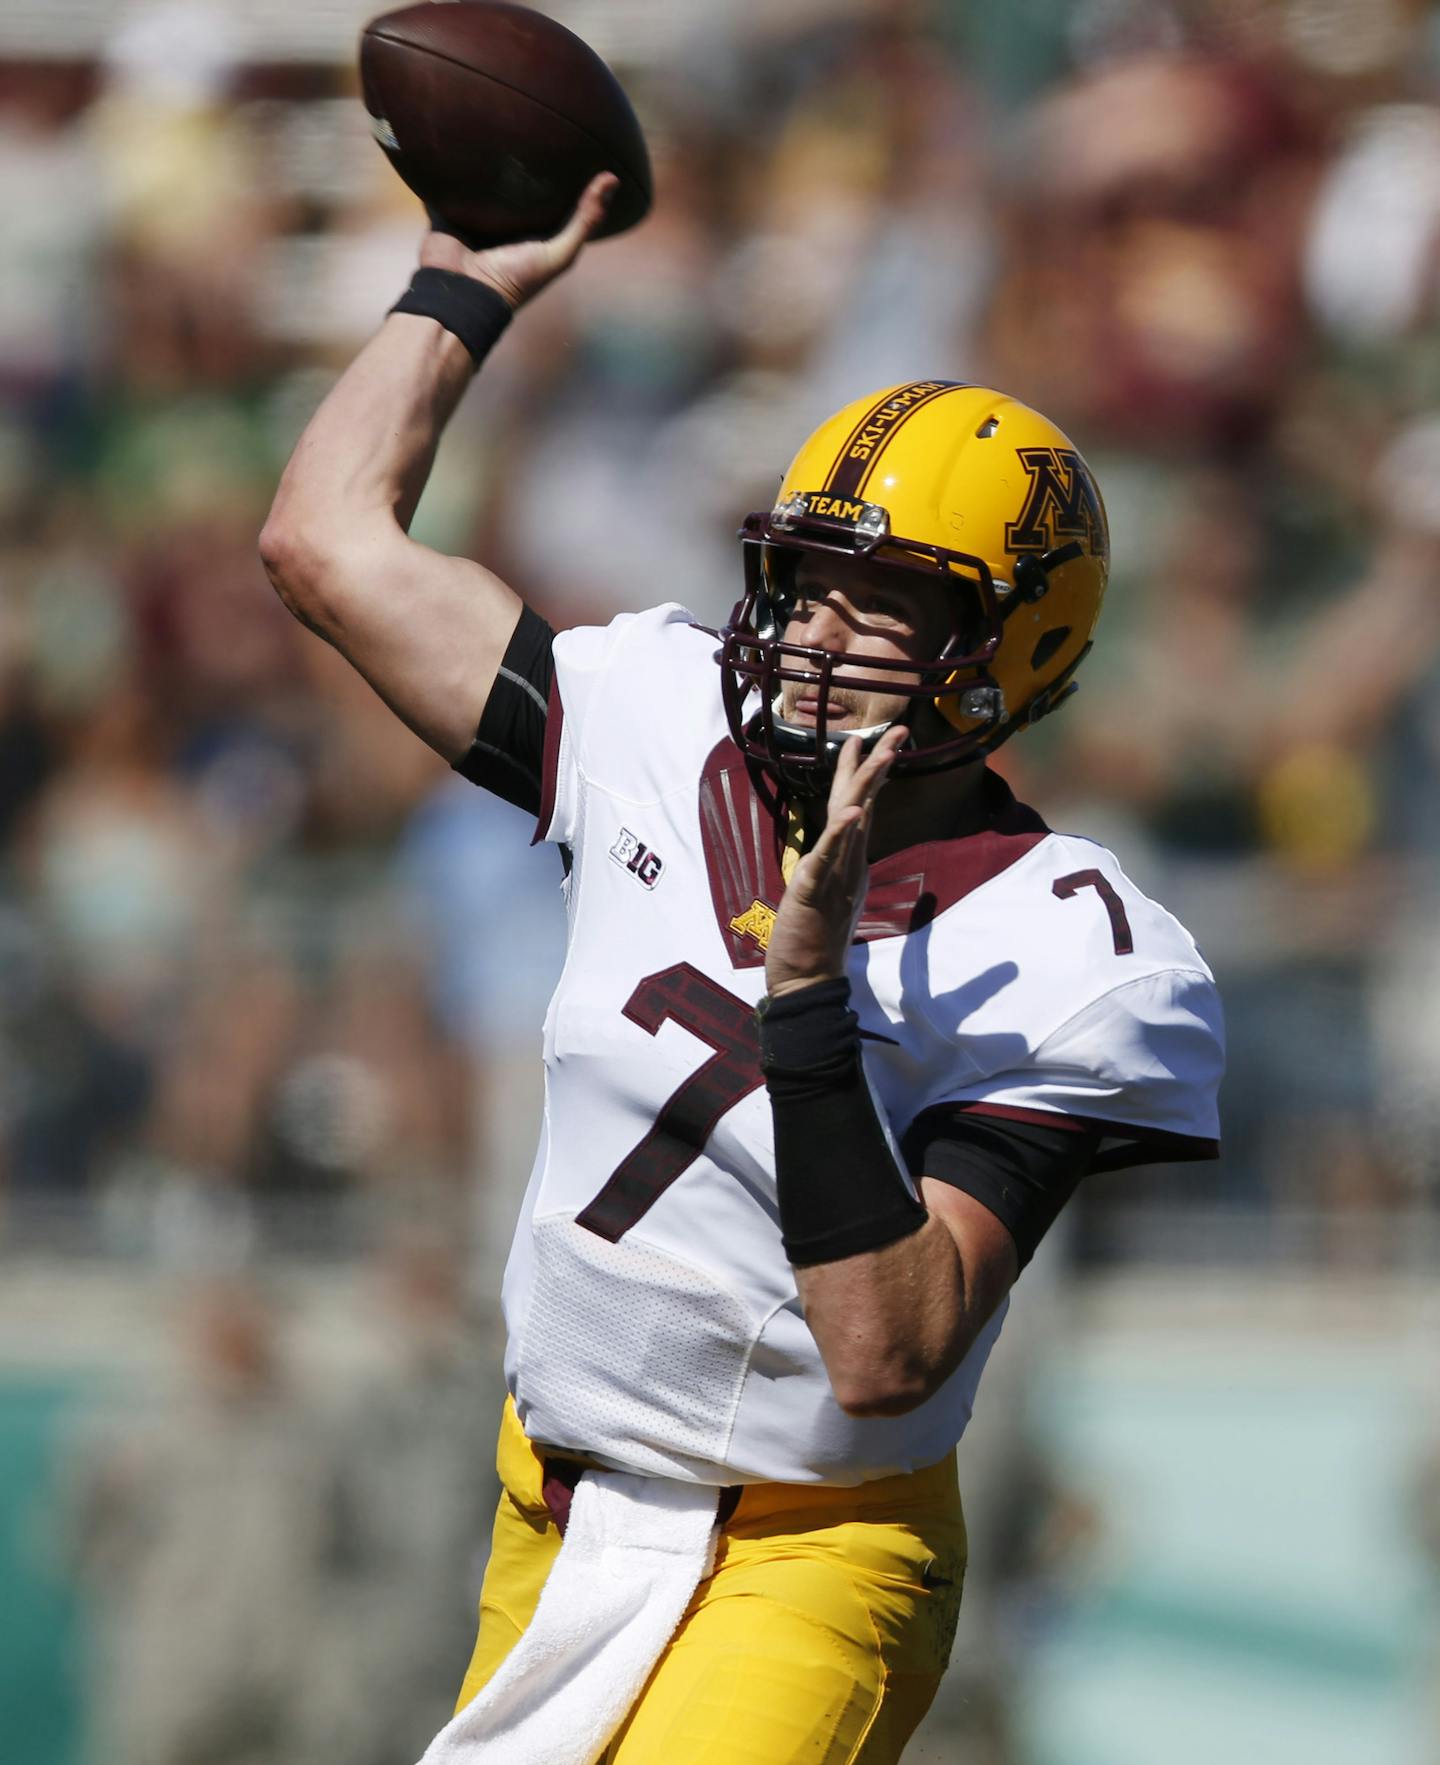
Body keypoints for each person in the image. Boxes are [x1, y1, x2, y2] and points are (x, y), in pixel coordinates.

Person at [260, 174, 1224, 1765]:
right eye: (810, 577)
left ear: (1013, 648)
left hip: (805, 1547)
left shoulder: (1078, 950)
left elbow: (885, 1350)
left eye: (894, 601)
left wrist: (809, 1003)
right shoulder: (650, 715)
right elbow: (323, 544)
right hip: (550, 1497)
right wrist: (459, 288)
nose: (822, 632)